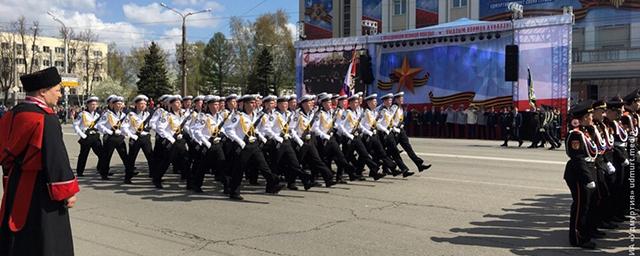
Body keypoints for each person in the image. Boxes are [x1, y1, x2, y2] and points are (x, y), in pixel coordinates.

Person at [0, 67, 79, 255]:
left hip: (15, 182)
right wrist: (68, 192)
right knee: (46, 238)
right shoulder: (46, 118)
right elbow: (56, 159)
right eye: (58, 89)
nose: (60, 94)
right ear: (43, 91)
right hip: (41, 190)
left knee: (17, 236)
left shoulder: (11, 114)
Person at [224, 94, 284, 200]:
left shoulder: (256, 115)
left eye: (254, 103)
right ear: (245, 104)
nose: (254, 104)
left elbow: (260, 128)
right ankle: (234, 192)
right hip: (243, 145)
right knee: (239, 169)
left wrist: (261, 136)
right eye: (251, 103)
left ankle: (273, 184)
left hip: (254, 144)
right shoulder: (239, 116)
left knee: (263, 165)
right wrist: (238, 140)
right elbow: (229, 129)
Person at [564, 100, 598, 249]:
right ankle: (577, 238)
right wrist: (587, 178)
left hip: (587, 170)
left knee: (586, 205)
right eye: (590, 115)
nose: (592, 117)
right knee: (580, 207)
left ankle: (585, 233)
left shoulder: (584, 132)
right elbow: (578, 159)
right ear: (584, 117)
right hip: (579, 174)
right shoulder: (576, 135)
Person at [390, 92, 432, 172]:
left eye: (402, 98)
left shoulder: (400, 107)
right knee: (391, 151)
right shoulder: (394, 107)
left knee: (409, 149)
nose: (402, 100)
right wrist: (395, 127)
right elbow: (389, 119)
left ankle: (419, 165)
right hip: (395, 132)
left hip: (401, 132)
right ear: (396, 99)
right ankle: (382, 165)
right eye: (400, 98)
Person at [121, 95, 153, 184]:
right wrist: (131, 135)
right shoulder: (131, 115)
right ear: (136, 104)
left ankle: (154, 175)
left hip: (145, 137)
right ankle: (128, 177)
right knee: (131, 158)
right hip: (135, 138)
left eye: (144, 104)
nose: (143, 105)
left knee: (150, 157)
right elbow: (124, 127)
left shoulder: (148, 114)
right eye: (140, 104)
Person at [96, 95, 129, 180]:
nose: (119, 106)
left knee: (125, 156)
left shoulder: (124, 115)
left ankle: (129, 171)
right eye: (117, 104)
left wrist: (125, 132)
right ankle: (104, 173)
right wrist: (109, 131)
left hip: (120, 138)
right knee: (107, 157)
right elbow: (99, 125)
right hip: (110, 138)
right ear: (113, 105)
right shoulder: (107, 114)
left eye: (121, 104)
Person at [73, 96, 103, 177]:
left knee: (102, 154)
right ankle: (80, 172)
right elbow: (75, 125)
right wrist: (82, 135)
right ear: (88, 105)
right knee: (83, 155)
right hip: (86, 137)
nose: (94, 106)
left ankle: (101, 169)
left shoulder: (97, 115)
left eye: (95, 104)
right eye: (92, 104)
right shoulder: (82, 114)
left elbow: (99, 125)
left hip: (95, 137)